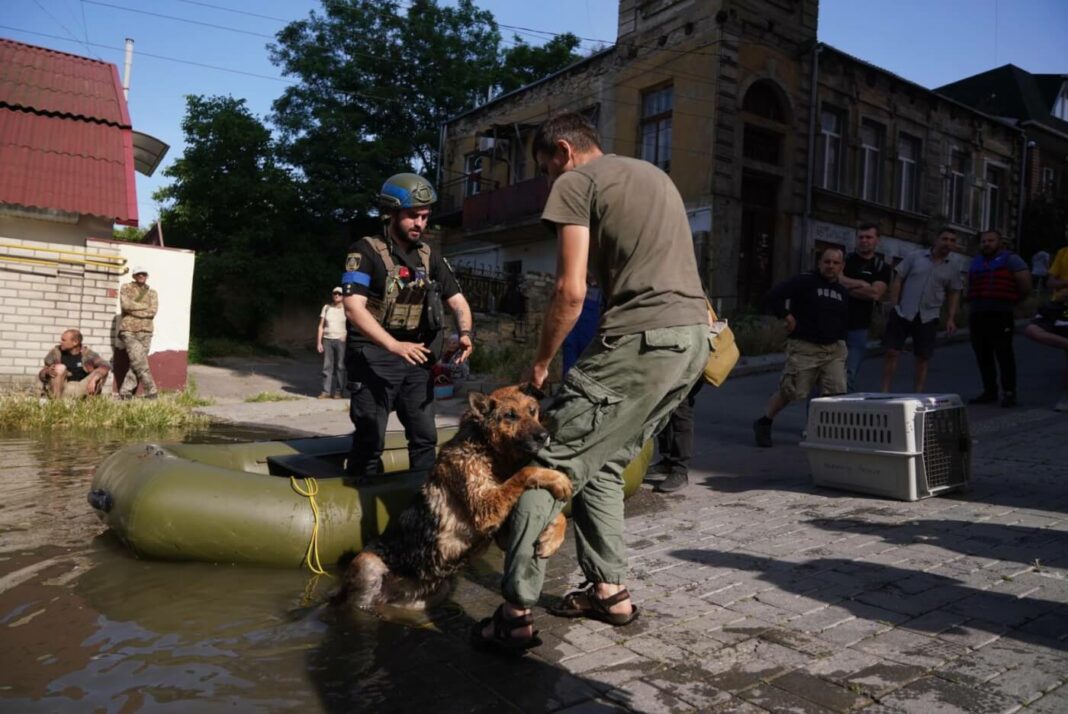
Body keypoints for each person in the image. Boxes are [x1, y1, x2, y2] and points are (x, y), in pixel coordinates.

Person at [472, 112, 709, 653]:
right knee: (601, 465)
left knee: (548, 466)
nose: (549, 181)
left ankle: (514, 614)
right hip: (692, 342)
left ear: (564, 151)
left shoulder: (579, 181)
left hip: (641, 340)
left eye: (545, 168)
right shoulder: (653, 176)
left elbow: (570, 290)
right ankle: (609, 591)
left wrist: (539, 364)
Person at [340, 173, 474, 479]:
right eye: (413, 216)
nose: (420, 224)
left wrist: (465, 334)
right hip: (374, 356)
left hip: (416, 358)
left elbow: (459, 302)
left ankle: (423, 503)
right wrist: (393, 346)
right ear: (391, 213)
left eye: (425, 217)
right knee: (370, 439)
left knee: (425, 437)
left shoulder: (429, 257)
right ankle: (360, 503)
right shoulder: (365, 252)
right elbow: (353, 308)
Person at [753, 247, 849, 448]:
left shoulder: (841, 291)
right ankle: (764, 422)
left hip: (833, 350)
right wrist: (786, 316)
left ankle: (823, 433)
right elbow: (773, 296)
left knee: (836, 391)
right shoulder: (805, 281)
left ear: (842, 266)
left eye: (835, 263)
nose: (830, 266)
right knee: (792, 390)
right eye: (827, 261)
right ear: (819, 263)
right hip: (806, 347)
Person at [880, 228, 963, 393]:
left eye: (952, 240)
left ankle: (917, 394)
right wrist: (895, 305)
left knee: (923, 357)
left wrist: (951, 318)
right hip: (904, 311)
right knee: (891, 352)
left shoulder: (953, 267)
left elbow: (954, 292)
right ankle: (885, 390)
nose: (948, 243)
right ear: (936, 240)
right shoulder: (915, 257)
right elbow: (898, 279)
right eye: (945, 239)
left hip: (928, 316)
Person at [966, 230, 1031, 407]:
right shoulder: (976, 261)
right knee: (982, 354)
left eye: (991, 240)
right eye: (984, 241)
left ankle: (1009, 392)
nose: (987, 244)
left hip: (1001, 313)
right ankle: (990, 391)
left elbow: (1025, 285)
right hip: (978, 313)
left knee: (1004, 354)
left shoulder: (1011, 259)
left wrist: (1014, 302)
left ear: (999, 242)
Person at [837, 224, 891, 392]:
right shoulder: (844, 260)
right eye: (861, 237)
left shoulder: (881, 267)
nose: (864, 241)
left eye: (869, 237)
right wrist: (861, 284)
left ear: (877, 240)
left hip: (859, 326)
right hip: (834, 323)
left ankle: (841, 414)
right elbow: (833, 279)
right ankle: (818, 413)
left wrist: (845, 284)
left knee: (849, 375)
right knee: (825, 374)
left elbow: (875, 294)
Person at [1023, 244, 1068, 411]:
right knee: (1032, 330)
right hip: (1058, 306)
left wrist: (1062, 286)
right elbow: (1050, 282)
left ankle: (1066, 395)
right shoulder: (1063, 252)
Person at [648, 378, 703, 492]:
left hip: (689, 367)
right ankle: (667, 461)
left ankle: (680, 470)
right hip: (669, 366)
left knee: (681, 408)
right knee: (663, 407)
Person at [118, 266, 159, 399]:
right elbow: (125, 305)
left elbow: (153, 311)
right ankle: (151, 391)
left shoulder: (152, 292)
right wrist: (144, 308)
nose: (141, 276)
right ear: (134, 276)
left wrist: (134, 310)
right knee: (139, 361)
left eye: (144, 273)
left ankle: (125, 392)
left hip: (146, 331)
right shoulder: (126, 288)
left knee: (136, 362)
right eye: (138, 274)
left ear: (147, 276)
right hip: (129, 331)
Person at [39, 329, 111, 399]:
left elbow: (106, 366)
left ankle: (89, 401)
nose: (60, 342)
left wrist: (95, 378)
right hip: (63, 388)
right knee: (59, 368)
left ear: (75, 342)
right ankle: (56, 402)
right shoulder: (56, 352)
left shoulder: (88, 354)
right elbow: (42, 372)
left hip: (82, 388)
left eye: (64, 340)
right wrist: (47, 371)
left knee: (101, 372)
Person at [317, 287, 347, 399]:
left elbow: (352, 324)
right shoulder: (326, 308)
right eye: (335, 293)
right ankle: (325, 391)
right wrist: (319, 342)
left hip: (340, 340)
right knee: (327, 366)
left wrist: (346, 335)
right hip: (327, 339)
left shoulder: (346, 309)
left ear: (343, 296)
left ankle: (339, 391)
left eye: (339, 293)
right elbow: (321, 326)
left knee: (340, 366)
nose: (337, 295)